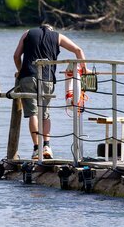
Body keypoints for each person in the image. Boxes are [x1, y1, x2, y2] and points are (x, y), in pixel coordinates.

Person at [12, 23, 85, 160]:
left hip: (28, 77)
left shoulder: (27, 33)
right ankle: (46, 146)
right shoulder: (57, 37)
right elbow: (78, 50)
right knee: (45, 114)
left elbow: (16, 56)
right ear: (51, 29)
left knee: (33, 113)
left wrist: (20, 71)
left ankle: (36, 149)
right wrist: (84, 68)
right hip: (48, 79)